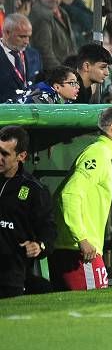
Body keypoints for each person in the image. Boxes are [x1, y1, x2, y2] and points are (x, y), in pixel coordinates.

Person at [50, 108, 112, 291]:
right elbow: (69, 195)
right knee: (90, 309)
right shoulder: (97, 154)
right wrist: (82, 238)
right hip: (79, 251)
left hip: (78, 248)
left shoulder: (100, 152)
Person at [0, 125, 55, 298]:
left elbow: (49, 231)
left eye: (4, 154)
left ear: (22, 156)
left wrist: (39, 246)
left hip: (10, 277)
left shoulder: (34, 190)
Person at [28, 0, 74, 71]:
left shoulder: (62, 12)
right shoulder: (40, 15)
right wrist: (64, 74)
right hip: (53, 75)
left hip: (65, 71)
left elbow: (71, 45)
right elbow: (44, 53)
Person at [0, 13, 33, 102]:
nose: (27, 41)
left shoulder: (34, 55)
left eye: (28, 36)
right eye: (22, 37)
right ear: (7, 33)